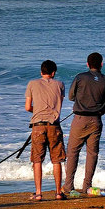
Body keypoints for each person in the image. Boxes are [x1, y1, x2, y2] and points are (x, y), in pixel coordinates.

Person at [64, 52, 105, 197]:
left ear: (87, 64)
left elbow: (71, 97)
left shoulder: (80, 77)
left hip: (80, 119)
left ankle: (68, 186)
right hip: (96, 121)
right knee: (92, 154)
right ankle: (87, 186)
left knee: (73, 152)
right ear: (101, 64)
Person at [26, 59, 67, 200]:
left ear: (41, 72)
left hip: (37, 126)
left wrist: (37, 111)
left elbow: (27, 107)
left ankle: (38, 193)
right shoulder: (60, 84)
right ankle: (58, 192)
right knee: (57, 160)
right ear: (53, 73)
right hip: (54, 126)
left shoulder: (32, 84)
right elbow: (60, 101)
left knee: (37, 160)